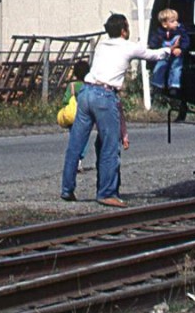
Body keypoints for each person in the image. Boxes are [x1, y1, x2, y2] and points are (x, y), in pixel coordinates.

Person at [61, 13, 172, 207]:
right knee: (109, 146)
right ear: (123, 30)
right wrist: (169, 50)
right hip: (105, 95)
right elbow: (152, 54)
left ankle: (67, 189)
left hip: (86, 93)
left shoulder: (102, 46)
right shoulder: (128, 46)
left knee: (76, 143)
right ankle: (107, 193)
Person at [148, 8, 190, 96]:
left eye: (176, 21)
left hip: (176, 53)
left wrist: (181, 49)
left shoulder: (180, 31)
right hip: (163, 54)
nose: (176, 23)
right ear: (164, 24)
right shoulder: (159, 32)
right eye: (172, 21)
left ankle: (174, 85)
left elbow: (186, 40)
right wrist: (154, 47)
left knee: (176, 67)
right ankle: (157, 85)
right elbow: (154, 42)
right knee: (160, 66)